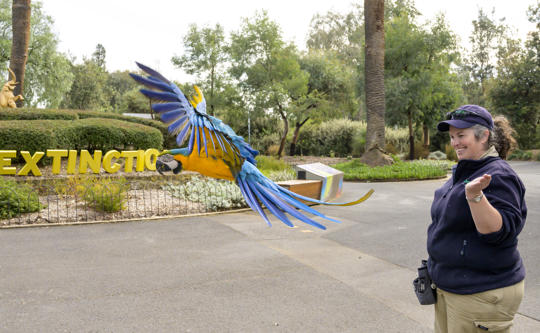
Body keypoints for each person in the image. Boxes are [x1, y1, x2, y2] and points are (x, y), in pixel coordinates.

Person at [427, 104, 527, 333]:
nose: (455, 143)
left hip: (480, 291)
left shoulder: (498, 175)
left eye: (461, 135)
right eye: (452, 137)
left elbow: (498, 231)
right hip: (454, 288)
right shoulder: (466, 169)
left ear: (484, 136)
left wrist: (475, 196)